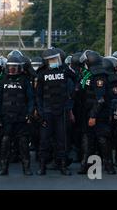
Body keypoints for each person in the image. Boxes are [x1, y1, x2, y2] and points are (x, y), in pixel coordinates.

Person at [36, 48, 74, 176]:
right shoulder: (41, 73)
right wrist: (40, 113)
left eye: (55, 59)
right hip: (47, 111)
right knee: (44, 140)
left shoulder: (64, 70)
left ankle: (63, 166)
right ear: (46, 61)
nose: (53, 61)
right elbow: (38, 95)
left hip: (61, 111)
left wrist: (69, 105)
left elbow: (77, 80)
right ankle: (42, 166)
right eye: (51, 59)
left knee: (61, 140)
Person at [78, 50, 116, 175]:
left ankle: (109, 166)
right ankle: (86, 166)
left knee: (102, 139)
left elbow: (100, 99)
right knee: (88, 140)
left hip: (99, 114)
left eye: (85, 62)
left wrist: (93, 115)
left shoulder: (100, 76)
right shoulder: (88, 75)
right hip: (88, 112)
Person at [0, 55, 34, 176]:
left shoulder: (24, 81)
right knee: (5, 142)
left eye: (15, 68)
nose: (12, 70)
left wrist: (29, 113)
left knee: (23, 142)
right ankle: (3, 168)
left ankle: (26, 168)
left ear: (20, 68)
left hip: (21, 117)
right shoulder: (3, 80)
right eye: (10, 67)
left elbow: (30, 99)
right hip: (6, 117)